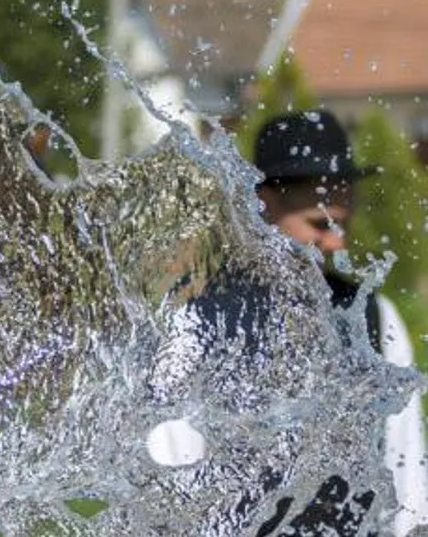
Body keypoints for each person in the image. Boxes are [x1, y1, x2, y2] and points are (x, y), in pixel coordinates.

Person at [148, 110, 428, 536]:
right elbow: (169, 497)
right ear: (263, 203)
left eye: (343, 223)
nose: (338, 242)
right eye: (320, 225)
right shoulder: (195, 326)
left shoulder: (376, 320)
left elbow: (409, 494)